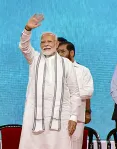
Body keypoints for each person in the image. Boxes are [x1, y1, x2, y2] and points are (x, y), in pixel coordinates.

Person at [18, 14, 81, 149]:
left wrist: (74, 117)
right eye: (43, 42)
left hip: (60, 118)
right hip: (34, 117)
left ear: (57, 44)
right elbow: (24, 47)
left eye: (49, 42)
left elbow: (75, 93)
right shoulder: (34, 59)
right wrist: (27, 29)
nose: (46, 44)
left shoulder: (66, 64)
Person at [58, 41, 94, 149]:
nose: (59, 54)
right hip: (57, 118)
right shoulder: (53, 70)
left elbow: (89, 91)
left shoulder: (83, 70)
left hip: (77, 117)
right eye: (57, 52)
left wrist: (70, 93)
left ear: (72, 53)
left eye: (62, 51)